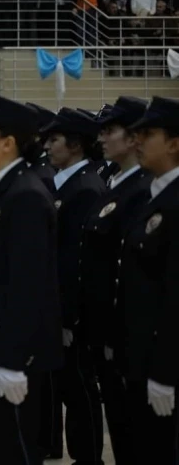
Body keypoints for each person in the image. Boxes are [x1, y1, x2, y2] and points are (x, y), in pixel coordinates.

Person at [0, 95, 63, 465]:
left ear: (8, 143)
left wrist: (12, 361)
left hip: (14, 352)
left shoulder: (25, 196)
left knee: (17, 450)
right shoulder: (4, 190)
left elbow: (28, 287)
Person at [80, 96, 150, 465]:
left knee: (138, 432)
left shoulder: (143, 190)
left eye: (111, 130)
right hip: (104, 326)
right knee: (121, 426)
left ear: (136, 137)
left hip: (127, 331)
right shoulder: (115, 182)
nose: (102, 138)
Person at [38, 108, 106, 464]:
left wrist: (67, 317)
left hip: (74, 312)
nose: (48, 146)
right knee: (67, 388)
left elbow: (75, 260)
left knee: (80, 391)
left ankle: (88, 457)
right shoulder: (65, 181)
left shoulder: (85, 188)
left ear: (76, 145)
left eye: (55, 140)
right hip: (58, 305)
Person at [120, 96, 179, 463]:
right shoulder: (152, 196)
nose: (138, 141)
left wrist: (165, 372)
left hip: (165, 363)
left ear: (174, 143)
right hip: (141, 356)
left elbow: (175, 296)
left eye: (149, 133)